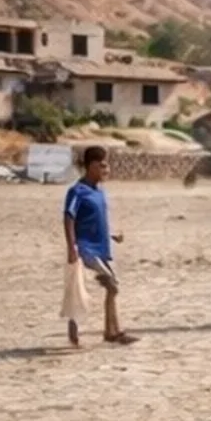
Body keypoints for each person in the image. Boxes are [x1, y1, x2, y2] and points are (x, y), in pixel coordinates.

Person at [62, 146, 136, 347]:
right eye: (102, 165)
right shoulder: (78, 191)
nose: (106, 169)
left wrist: (111, 235)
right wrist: (72, 247)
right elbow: (69, 217)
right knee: (111, 285)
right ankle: (112, 332)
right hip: (85, 248)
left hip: (101, 248)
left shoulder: (100, 192)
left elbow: (95, 220)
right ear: (91, 166)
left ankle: (108, 331)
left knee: (105, 288)